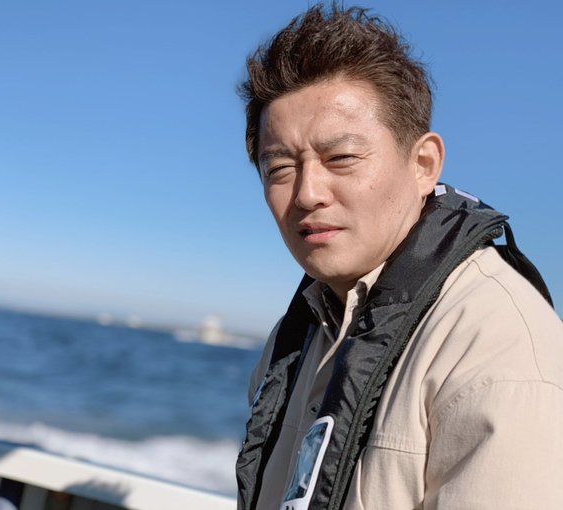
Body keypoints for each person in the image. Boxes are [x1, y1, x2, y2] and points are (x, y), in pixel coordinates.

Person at [235, 4, 563, 510]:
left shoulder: (496, 344)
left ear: (423, 164)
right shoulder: (300, 331)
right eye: (279, 168)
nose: (307, 193)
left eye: (341, 158)